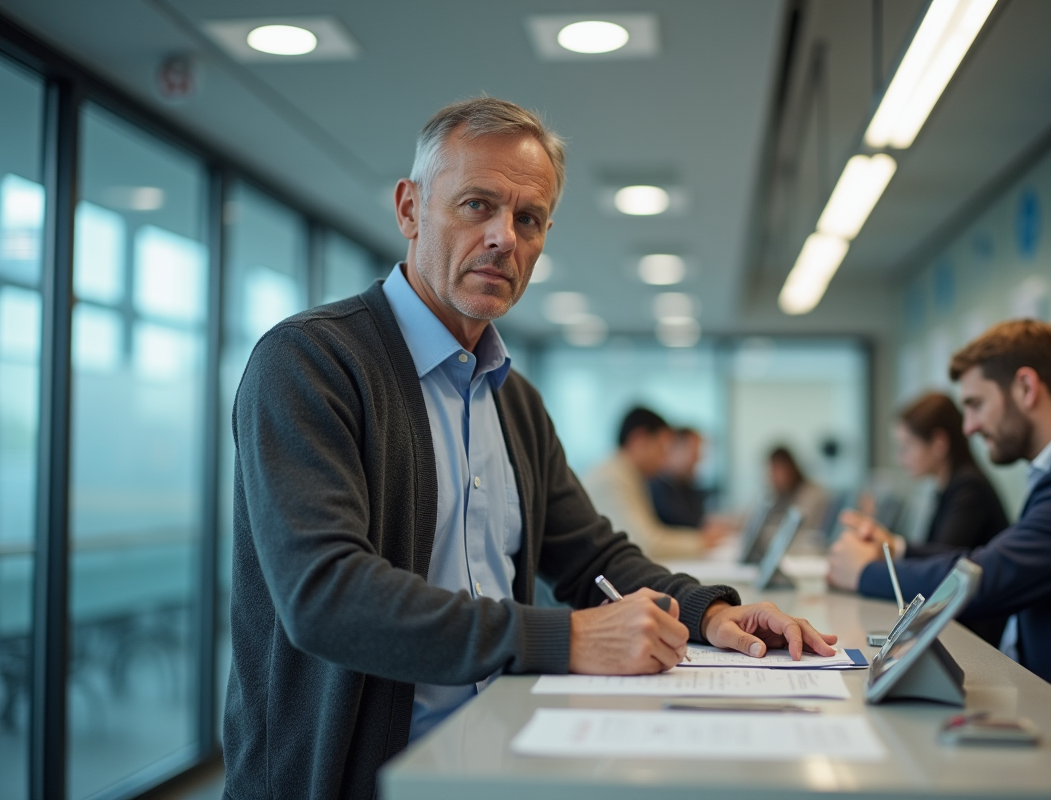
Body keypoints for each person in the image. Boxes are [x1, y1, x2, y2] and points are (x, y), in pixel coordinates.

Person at [223, 98, 836, 800]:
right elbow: (326, 596)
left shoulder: (514, 400)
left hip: (500, 753)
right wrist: (563, 639)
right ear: (410, 208)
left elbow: (592, 558)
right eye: (477, 205)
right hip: (356, 778)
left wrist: (709, 612)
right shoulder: (310, 364)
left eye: (528, 219)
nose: (503, 238)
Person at [828, 320, 1051, 737]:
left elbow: (987, 577)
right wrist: (897, 550)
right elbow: (996, 555)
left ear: (1026, 388)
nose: (969, 427)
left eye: (976, 404)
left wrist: (867, 572)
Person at [877, 392, 1010, 644]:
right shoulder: (949, 485)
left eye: (906, 447)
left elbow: (942, 561)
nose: (900, 458)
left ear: (939, 443)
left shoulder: (969, 487)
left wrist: (892, 548)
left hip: (976, 635)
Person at [583, 409, 727, 560]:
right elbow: (646, 544)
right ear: (639, 439)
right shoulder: (611, 478)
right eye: (662, 449)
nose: (664, 459)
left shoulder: (627, 474)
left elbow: (651, 535)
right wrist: (702, 541)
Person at [649, 427, 708, 527]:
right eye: (693, 453)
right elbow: (688, 523)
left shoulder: (683, 484)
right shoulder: (656, 485)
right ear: (673, 449)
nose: (697, 459)